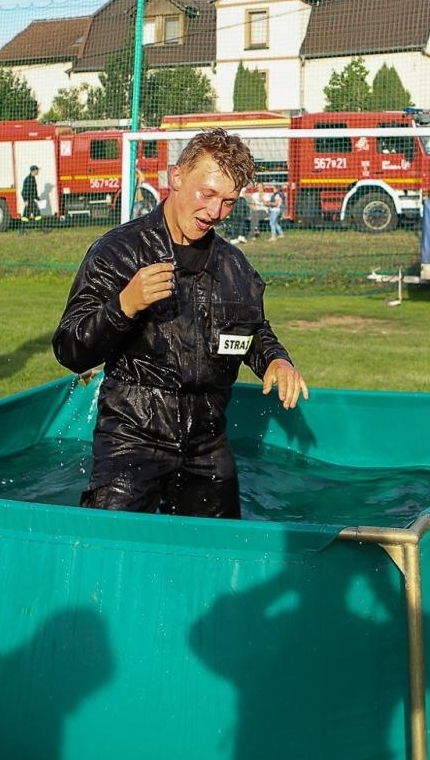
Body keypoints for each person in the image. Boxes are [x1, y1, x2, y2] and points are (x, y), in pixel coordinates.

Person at [52, 128, 308, 518]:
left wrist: (275, 359)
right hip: (132, 438)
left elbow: (253, 330)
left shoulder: (234, 267)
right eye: (206, 194)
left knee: (221, 555)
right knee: (107, 549)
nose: (214, 213)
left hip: (207, 443)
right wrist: (125, 305)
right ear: (175, 177)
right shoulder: (118, 253)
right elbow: (70, 349)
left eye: (228, 202)